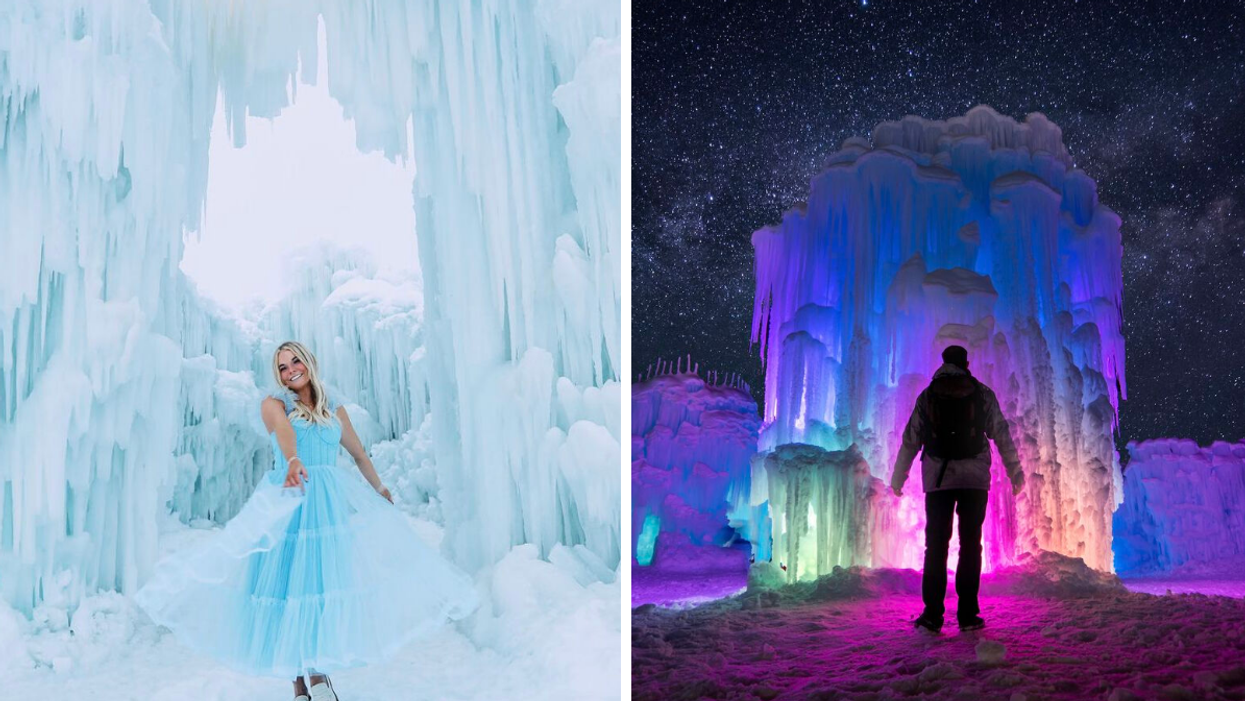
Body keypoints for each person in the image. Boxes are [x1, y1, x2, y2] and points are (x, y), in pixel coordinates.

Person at [136, 341, 478, 701]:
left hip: (328, 505)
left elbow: (358, 453)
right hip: (290, 497)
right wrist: (293, 458)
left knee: (319, 587)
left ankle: (315, 675)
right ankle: (303, 681)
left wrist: (379, 487)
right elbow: (284, 432)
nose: (290, 370)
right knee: (289, 589)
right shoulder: (274, 404)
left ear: (309, 362)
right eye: (282, 367)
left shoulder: (332, 407)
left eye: (295, 361)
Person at [889, 345, 1023, 634]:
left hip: (939, 479)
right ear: (965, 363)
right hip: (974, 480)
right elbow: (1001, 432)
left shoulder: (928, 396)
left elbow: (911, 439)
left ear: (943, 363)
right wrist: (1015, 470)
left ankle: (932, 615)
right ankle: (968, 614)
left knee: (935, 546)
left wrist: (899, 476)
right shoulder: (982, 393)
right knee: (970, 545)